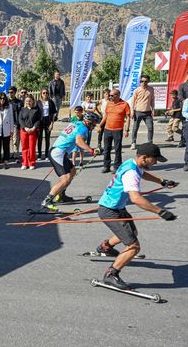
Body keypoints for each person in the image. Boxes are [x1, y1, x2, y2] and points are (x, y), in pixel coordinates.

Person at [94, 143, 178, 290]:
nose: (156, 162)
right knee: (133, 246)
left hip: (116, 207)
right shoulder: (131, 173)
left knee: (132, 233)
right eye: (155, 159)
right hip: (110, 210)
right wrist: (161, 211)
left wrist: (162, 181)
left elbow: (143, 173)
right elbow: (136, 199)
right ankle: (111, 274)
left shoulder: (132, 163)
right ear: (144, 158)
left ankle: (105, 247)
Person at [41, 112, 101, 210]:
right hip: (58, 153)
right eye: (94, 124)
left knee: (73, 171)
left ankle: (61, 195)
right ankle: (47, 200)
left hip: (59, 151)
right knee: (66, 178)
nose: (94, 126)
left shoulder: (76, 123)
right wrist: (92, 150)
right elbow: (79, 141)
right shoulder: (83, 128)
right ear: (88, 122)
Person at [98, 89, 131, 174]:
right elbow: (106, 116)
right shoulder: (109, 104)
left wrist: (126, 130)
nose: (110, 97)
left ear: (118, 95)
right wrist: (100, 125)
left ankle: (117, 167)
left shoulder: (124, 104)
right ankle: (106, 166)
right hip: (107, 129)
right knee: (106, 149)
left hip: (118, 130)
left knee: (117, 149)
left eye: (112, 95)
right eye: (110, 95)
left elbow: (128, 118)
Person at [130, 74, 155, 149]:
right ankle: (133, 142)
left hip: (147, 112)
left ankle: (150, 143)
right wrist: (132, 111)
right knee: (135, 128)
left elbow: (152, 100)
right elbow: (133, 101)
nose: (143, 83)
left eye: (145, 81)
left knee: (150, 128)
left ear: (148, 81)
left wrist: (153, 109)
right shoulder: (137, 90)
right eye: (142, 81)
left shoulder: (151, 89)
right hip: (138, 112)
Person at [19, 94, 41, 170]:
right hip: (24, 131)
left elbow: (38, 120)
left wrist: (34, 128)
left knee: (31, 147)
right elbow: (20, 119)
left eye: (30, 101)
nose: (28, 102)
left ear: (33, 101)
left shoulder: (36, 109)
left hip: (33, 131)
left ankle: (31, 163)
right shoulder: (22, 109)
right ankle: (25, 163)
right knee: (24, 147)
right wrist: (25, 128)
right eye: (27, 101)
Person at [37, 87, 58, 161]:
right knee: (39, 139)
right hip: (40, 122)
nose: (45, 94)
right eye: (44, 93)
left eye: (46, 93)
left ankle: (46, 154)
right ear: (41, 94)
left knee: (47, 139)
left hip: (48, 121)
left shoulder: (50, 102)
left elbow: (52, 114)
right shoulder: (38, 102)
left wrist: (52, 124)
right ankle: (39, 155)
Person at [0, 92, 13, 169]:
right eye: (0, 98)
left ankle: (6, 162)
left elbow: (11, 119)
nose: (2, 100)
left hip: (6, 129)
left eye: (4, 98)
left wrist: (11, 130)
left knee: (6, 147)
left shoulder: (9, 106)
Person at [8, 86, 23, 163]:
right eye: (9, 92)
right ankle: (12, 153)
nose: (10, 94)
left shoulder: (19, 102)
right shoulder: (6, 102)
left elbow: (21, 113)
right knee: (9, 140)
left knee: (15, 140)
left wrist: (19, 123)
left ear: (15, 92)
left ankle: (16, 155)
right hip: (7, 124)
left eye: (12, 92)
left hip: (15, 123)